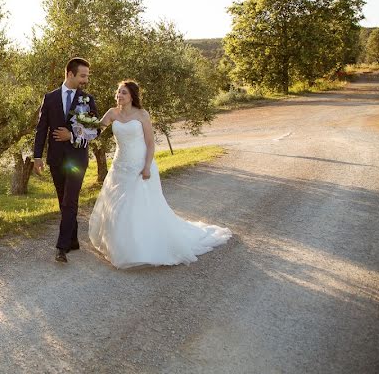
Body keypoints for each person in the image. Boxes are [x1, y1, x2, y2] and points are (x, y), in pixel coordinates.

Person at [88, 80, 232, 268]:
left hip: (140, 166)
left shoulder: (142, 114)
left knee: (140, 205)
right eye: (118, 92)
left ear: (132, 95)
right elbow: (96, 130)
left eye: (123, 92)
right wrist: (79, 125)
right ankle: (120, 246)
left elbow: (150, 143)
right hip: (119, 166)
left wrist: (147, 166)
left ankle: (143, 247)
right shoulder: (112, 113)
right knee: (118, 206)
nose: (119, 95)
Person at [33, 57, 98, 263]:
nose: (85, 80)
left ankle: (61, 248)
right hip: (56, 158)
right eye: (83, 75)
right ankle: (73, 240)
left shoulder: (87, 100)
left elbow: (94, 130)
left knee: (70, 200)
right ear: (70, 74)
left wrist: (71, 136)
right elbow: (41, 128)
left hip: (77, 158)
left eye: (86, 76)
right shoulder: (50, 98)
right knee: (64, 201)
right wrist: (37, 156)